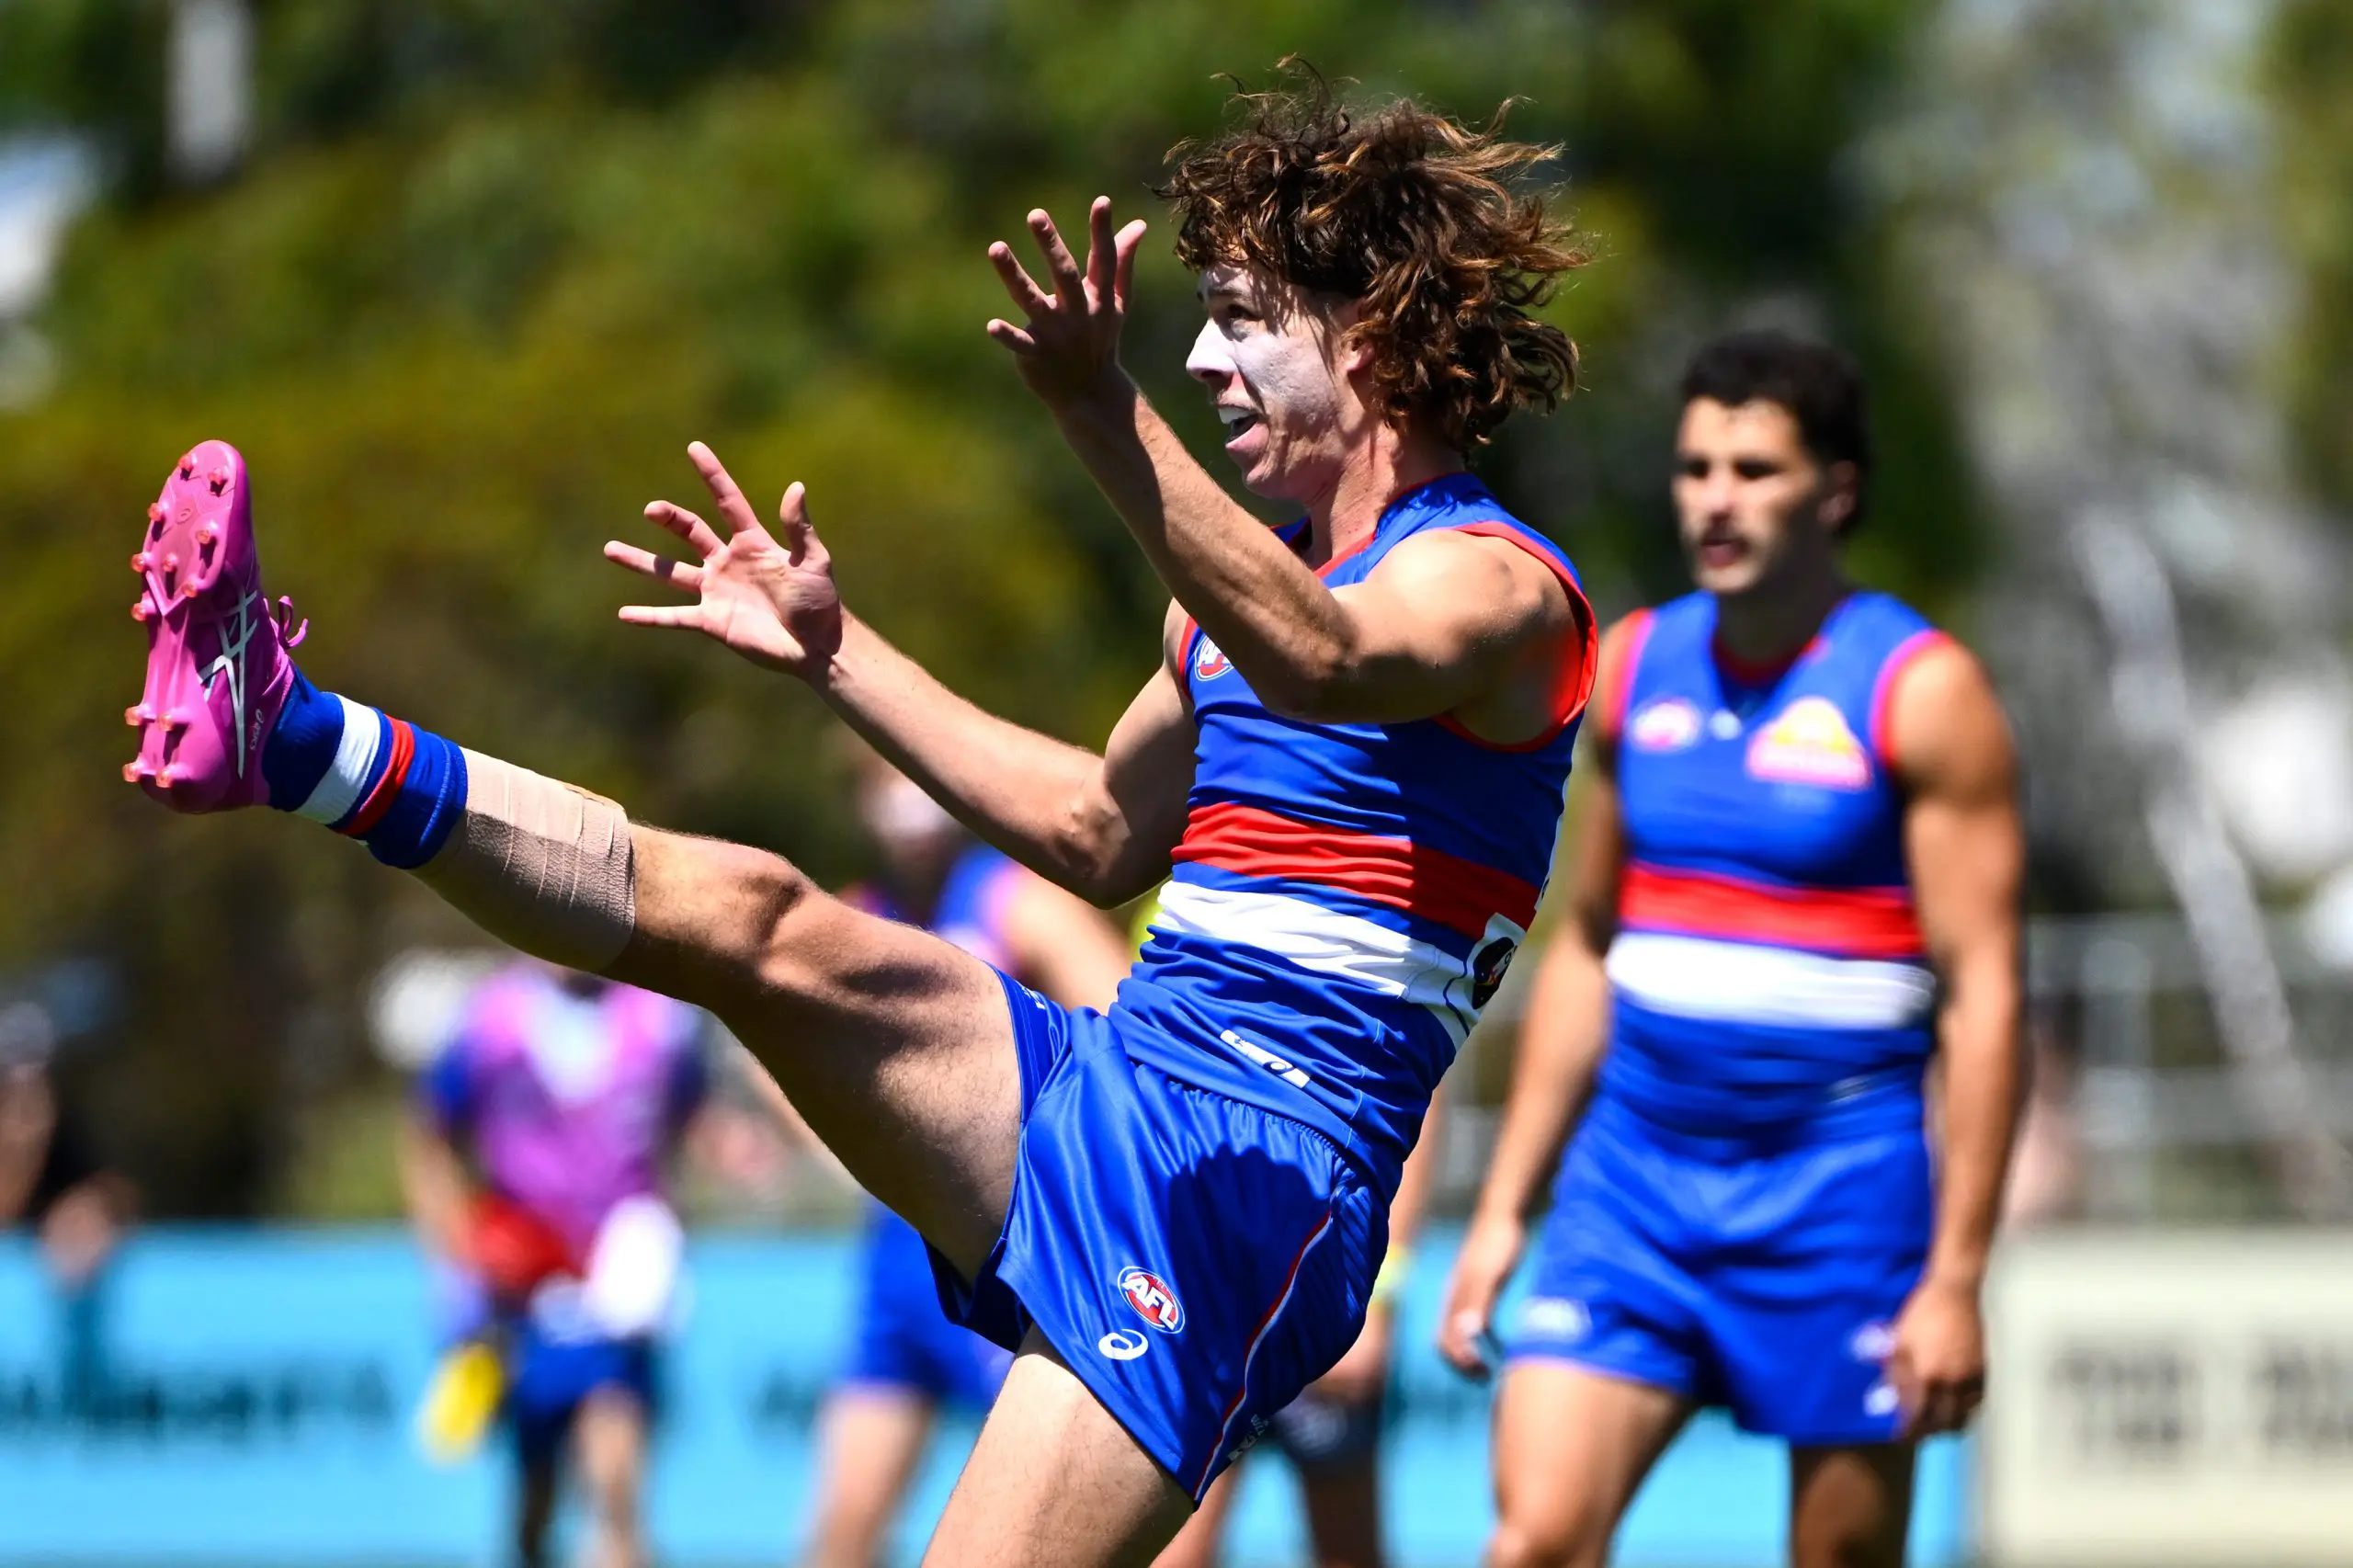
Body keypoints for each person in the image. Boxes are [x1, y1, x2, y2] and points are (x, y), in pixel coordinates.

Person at [123, 72, 1595, 1565]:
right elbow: (1095, 827)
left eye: (1241, 314)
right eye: (1200, 319)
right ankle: (292, 732)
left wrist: (1104, 414)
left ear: (1371, 333)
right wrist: (840, 654)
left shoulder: (1498, 586)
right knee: (755, 919)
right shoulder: (1225, 602)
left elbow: (1331, 662)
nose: (1207, 358)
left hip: (1258, 1182)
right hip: (1112, 1081)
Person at [1437, 331, 2025, 1568]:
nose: (1716, 496)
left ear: (1837, 491)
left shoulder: (1920, 691)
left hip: (1838, 1201)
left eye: (1755, 469)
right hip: (1631, 1192)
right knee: (1530, 1541)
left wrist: (1957, 1275)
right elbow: (1589, 945)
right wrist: (1502, 1209)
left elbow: (1983, 999)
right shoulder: (1637, 661)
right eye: (1696, 466)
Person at [804, 756, 1132, 1568]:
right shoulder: (856, 915)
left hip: (1014, 1257)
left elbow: (1126, 1035)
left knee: (1042, 1540)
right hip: (895, 1268)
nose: (904, 803)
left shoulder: (1016, 901)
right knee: (841, 1535)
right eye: (879, 783)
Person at [399, 962, 710, 1568]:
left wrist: (665, 1229)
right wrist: (457, 1254)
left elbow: (690, 1127)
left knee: (616, 1482)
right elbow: (428, 1136)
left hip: (618, 1286)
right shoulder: (490, 1019)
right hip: (521, 1290)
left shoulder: (661, 1018)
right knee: (534, 1491)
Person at [1150, 1085, 1443, 1568]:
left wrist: (1380, 1290)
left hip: (1320, 1290)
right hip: (1201, 1294)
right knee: (1170, 1556)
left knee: (1348, 1555)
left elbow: (1417, 1099)